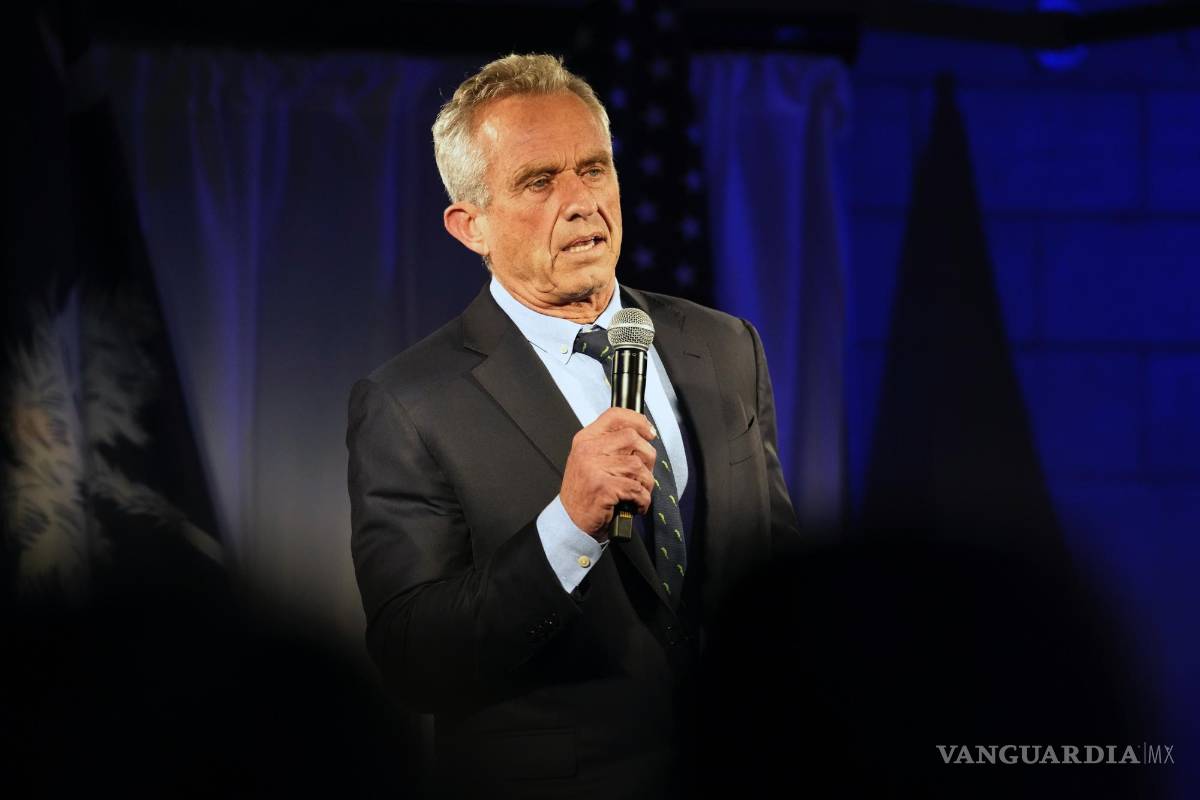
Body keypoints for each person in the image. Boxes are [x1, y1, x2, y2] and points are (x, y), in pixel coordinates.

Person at [346, 53, 799, 799]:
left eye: (594, 168)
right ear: (470, 226)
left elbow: (774, 580)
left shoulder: (723, 347)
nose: (582, 201)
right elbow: (412, 658)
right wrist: (567, 527)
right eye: (538, 181)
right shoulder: (409, 403)